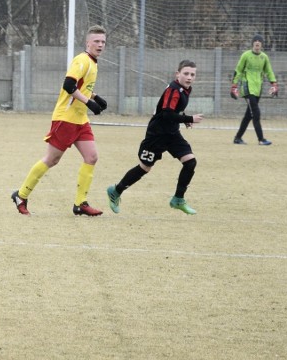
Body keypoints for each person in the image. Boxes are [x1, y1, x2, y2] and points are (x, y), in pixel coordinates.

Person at [11, 25, 108, 217]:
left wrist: (95, 97)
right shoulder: (81, 60)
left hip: (80, 120)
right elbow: (69, 85)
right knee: (52, 159)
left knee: (91, 157)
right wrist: (89, 102)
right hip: (66, 118)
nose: (100, 45)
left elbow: (82, 85)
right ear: (87, 42)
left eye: (103, 42)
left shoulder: (93, 62)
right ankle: (21, 195)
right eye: (96, 41)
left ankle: (80, 203)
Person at [107, 60, 204, 215]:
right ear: (177, 74)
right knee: (144, 168)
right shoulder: (173, 90)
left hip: (172, 134)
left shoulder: (185, 89)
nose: (189, 77)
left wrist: (184, 118)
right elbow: (166, 113)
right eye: (186, 73)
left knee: (190, 162)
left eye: (192, 74)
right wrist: (189, 119)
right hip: (156, 136)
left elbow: (173, 111)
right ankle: (116, 191)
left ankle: (178, 199)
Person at [230, 34, 277, 146]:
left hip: (257, 89)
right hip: (247, 88)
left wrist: (274, 84)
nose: (257, 42)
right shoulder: (246, 55)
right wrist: (234, 86)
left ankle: (237, 138)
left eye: (259, 41)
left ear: (261, 44)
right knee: (256, 113)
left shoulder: (264, 57)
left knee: (249, 115)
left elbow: (269, 71)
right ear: (252, 44)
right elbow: (238, 70)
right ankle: (261, 139)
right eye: (255, 41)